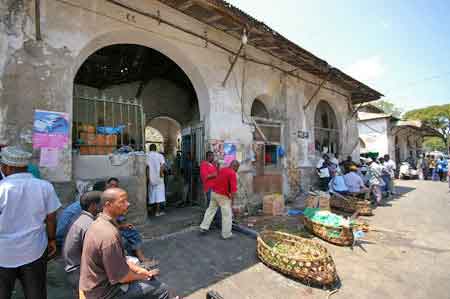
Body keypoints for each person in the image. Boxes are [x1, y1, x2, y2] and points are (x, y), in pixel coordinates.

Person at [79, 188, 178, 299]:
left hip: (100, 283)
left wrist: (139, 270)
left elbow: (120, 259)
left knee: (147, 275)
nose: (128, 204)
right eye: (122, 201)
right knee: (163, 289)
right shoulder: (109, 235)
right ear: (108, 205)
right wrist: (142, 275)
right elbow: (122, 277)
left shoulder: (100, 221)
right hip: (104, 293)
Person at [0, 146, 61, 299]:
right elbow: (51, 218)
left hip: (4, 253)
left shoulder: (2, 189)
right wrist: (52, 239)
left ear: (6, 167)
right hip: (34, 250)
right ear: (26, 167)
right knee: (36, 293)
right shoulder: (45, 187)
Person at [63, 191, 102, 297]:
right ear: (94, 206)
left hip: (73, 268)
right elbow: (95, 255)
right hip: (79, 273)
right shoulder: (89, 224)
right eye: (102, 203)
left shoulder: (81, 217)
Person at [200, 160, 240, 239]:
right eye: (237, 168)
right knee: (227, 215)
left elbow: (216, 177)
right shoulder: (232, 173)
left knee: (210, 210)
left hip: (214, 193)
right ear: (235, 166)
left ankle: (203, 227)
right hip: (223, 196)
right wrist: (232, 203)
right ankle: (226, 234)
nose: (237, 170)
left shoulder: (223, 169)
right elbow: (233, 191)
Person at [200, 151, 221, 227]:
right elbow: (204, 176)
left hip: (215, 188)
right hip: (209, 188)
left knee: (215, 205)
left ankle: (216, 222)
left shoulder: (212, 165)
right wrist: (213, 175)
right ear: (208, 156)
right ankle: (208, 223)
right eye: (212, 156)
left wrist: (217, 166)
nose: (213, 158)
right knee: (211, 206)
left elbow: (217, 173)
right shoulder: (204, 164)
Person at [147, 144, 166, 216]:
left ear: (149, 148)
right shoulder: (160, 155)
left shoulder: (147, 156)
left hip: (151, 178)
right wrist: (161, 173)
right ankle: (157, 212)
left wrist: (148, 177)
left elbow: (147, 167)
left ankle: (151, 211)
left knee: (151, 194)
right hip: (159, 178)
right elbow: (163, 165)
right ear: (155, 149)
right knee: (159, 195)